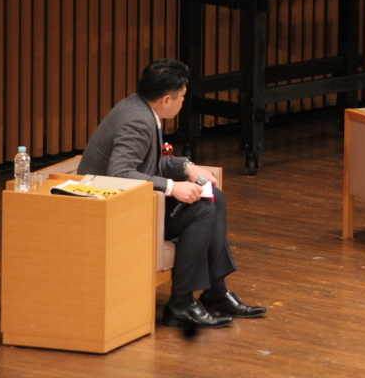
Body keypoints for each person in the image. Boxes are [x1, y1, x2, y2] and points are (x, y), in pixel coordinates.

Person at [77, 58, 266, 327]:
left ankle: (215, 292)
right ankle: (181, 304)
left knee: (214, 197)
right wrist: (172, 187)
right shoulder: (138, 121)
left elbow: (148, 164)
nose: (183, 102)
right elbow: (119, 174)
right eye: (183, 97)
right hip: (110, 213)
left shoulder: (139, 107)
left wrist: (187, 167)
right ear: (167, 100)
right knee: (202, 209)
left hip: (130, 201)